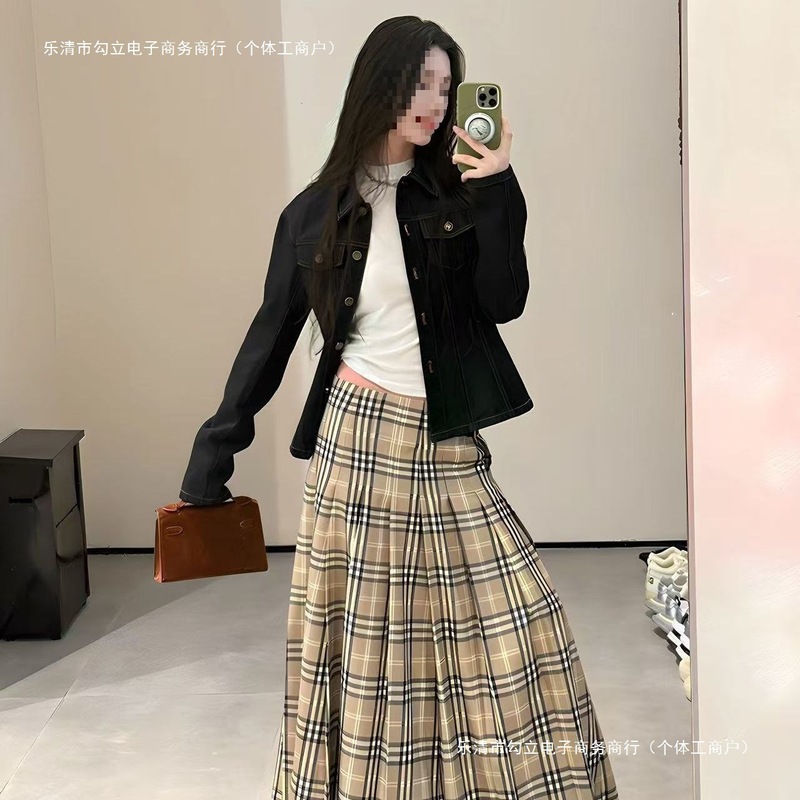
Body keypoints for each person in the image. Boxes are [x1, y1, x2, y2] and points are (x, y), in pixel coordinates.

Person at [176, 15, 619, 800]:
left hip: (444, 437)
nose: (437, 102)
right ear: (379, 85)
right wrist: (212, 456)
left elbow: (505, 300)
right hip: (357, 444)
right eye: (422, 82)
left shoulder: (457, 194)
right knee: (374, 652)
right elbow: (269, 338)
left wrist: (498, 189)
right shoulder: (314, 214)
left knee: (521, 619)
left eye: (447, 86)